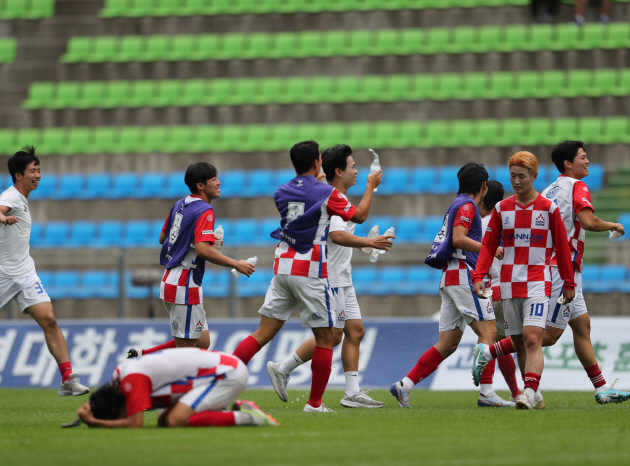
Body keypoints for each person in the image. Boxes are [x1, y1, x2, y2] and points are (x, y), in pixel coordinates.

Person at [472, 141, 630, 404]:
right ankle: (489, 354)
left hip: (558, 268)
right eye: (583, 157)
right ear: (568, 163)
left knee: (582, 327)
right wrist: (613, 225)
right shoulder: (576, 186)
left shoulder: (549, 190)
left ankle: (601, 388)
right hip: (561, 269)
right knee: (545, 336)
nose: (587, 161)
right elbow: (588, 221)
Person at [232, 141, 384, 413]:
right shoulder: (327, 193)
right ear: (317, 162)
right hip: (310, 270)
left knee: (261, 334)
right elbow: (358, 216)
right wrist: (371, 186)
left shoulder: (281, 191)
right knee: (327, 339)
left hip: (282, 267)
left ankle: (219, 381)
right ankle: (314, 404)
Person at [389, 163, 504, 408]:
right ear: (484, 186)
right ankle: (487, 393)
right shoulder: (467, 205)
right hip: (464, 275)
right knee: (489, 333)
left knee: (448, 343)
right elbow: (458, 239)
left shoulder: (457, 202)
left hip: (450, 277)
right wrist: (490, 248)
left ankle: (404, 385)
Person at [471, 151, 576, 410]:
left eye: (521, 176)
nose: (516, 181)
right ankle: (535, 394)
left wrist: (569, 282)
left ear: (534, 176)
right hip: (508, 285)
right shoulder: (501, 209)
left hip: (539, 282)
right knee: (518, 342)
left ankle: (527, 393)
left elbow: (562, 248)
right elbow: (487, 246)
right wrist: (478, 276)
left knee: (532, 339)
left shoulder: (549, 209)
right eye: (512, 176)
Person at [127, 162, 255, 357]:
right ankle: (171, 382)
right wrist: (237, 263)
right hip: (184, 283)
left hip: (171, 278)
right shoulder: (205, 210)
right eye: (214, 179)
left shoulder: (180, 204)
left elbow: (163, 238)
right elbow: (203, 251)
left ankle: (145, 354)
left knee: (202, 341)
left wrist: (197, 237)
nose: (219, 183)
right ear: (200, 185)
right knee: (187, 352)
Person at [0, 146, 89, 396]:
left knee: (49, 320)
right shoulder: (11, 197)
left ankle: (68, 378)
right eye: (33, 170)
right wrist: (3, 218)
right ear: (18, 175)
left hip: (25, 272)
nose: (38, 175)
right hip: (3, 274)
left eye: (39, 170)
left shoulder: (22, 199)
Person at [75, 348, 278, 428]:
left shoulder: (130, 380)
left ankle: (249, 418)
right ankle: (236, 410)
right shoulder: (122, 378)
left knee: (175, 420)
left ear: (115, 408)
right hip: (219, 370)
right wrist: (93, 404)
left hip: (225, 374)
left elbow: (135, 424)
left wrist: (94, 421)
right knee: (164, 420)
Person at [476, 180, 522, 405]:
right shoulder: (511, 217)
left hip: (494, 288)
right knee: (507, 342)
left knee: (496, 342)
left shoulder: (483, 223)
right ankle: (517, 392)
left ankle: (496, 391)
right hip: (515, 287)